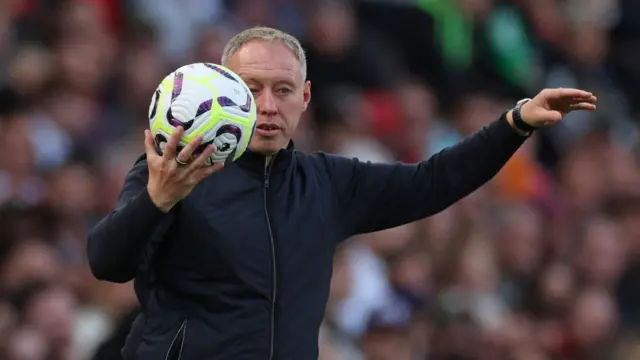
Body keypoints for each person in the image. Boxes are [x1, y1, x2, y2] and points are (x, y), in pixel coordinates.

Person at [86, 27, 597, 360]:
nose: (267, 105)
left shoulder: (327, 183)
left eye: (283, 90)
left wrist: (516, 122)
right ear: (224, 88)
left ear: (304, 98)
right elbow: (106, 262)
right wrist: (158, 199)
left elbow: (433, 182)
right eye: (252, 87)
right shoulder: (175, 168)